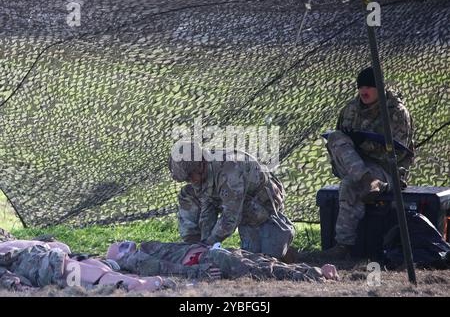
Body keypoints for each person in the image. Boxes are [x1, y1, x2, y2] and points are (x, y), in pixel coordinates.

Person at [319, 67, 414, 259]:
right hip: (358, 166)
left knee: (349, 184)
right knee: (336, 138)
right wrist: (352, 143)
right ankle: (367, 180)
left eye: (369, 86)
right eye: (361, 86)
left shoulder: (395, 111)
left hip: (386, 168)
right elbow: (340, 142)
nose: (364, 90)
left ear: (380, 87)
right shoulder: (350, 109)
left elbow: (398, 150)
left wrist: (365, 144)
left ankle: (343, 245)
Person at [168, 141, 296, 261]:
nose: (190, 181)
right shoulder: (201, 172)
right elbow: (208, 206)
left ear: (201, 165)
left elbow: (231, 216)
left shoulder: (230, 170)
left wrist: (210, 242)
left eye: (190, 177)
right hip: (232, 199)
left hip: (260, 203)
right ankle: (192, 243)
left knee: (262, 259)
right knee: (187, 194)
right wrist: (202, 243)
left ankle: (283, 239)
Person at [107, 240, 339, 282]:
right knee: (259, 269)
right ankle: (311, 274)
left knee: (260, 261)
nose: (123, 242)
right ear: (120, 256)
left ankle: (310, 270)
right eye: (119, 246)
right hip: (210, 258)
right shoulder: (137, 261)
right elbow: (166, 268)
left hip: (210, 252)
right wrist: (198, 273)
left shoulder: (145, 247)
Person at [0, 239, 168, 292]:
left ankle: (120, 279)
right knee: (66, 267)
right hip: (31, 262)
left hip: (32, 260)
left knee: (78, 264)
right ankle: (128, 284)